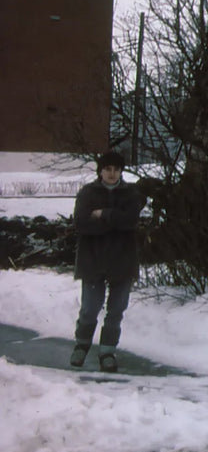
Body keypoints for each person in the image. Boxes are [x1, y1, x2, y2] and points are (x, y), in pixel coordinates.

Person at [70, 150, 147, 373]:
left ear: (121, 171)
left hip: (122, 261)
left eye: (116, 169)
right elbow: (81, 224)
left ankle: (107, 351)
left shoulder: (130, 193)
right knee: (89, 308)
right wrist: (115, 221)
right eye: (107, 169)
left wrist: (103, 214)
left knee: (116, 310)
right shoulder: (88, 193)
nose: (112, 174)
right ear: (100, 171)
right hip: (92, 260)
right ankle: (81, 345)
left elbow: (131, 221)